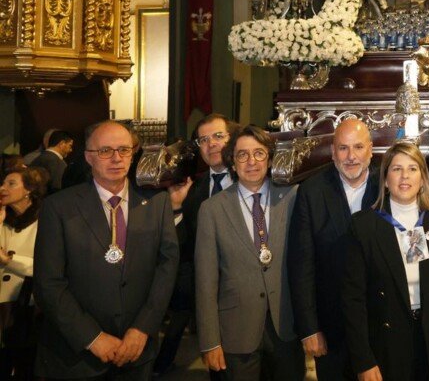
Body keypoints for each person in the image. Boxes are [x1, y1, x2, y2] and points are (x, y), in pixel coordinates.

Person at [33, 120, 179, 380]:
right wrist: (92, 337)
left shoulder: (157, 204)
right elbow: (49, 283)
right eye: (105, 151)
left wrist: (142, 328)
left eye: (124, 150)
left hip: (137, 351)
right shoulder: (59, 207)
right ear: (89, 157)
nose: (116, 158)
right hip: (76, 356)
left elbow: (166, 270)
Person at [342, 142, 429, 381]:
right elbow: (353, 300)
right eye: (397, 169)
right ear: (386, 179)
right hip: (385, 345)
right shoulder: (364, 226)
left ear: (423, 178)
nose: (405, 176)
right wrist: (364, 360)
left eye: (412, 168)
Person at [195, 125, 303, 380]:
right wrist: (210, 342)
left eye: (259, 153)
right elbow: (206, 282)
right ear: (232, 162)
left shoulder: (293, 197)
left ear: (269, 157)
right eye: (242, 155)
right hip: (235, 332)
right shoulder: (212, 210)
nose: (251, 162)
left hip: (286, 327)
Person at [287, 118, 380, 380]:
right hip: (331, 329)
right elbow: (301, 264)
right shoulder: (311, 191)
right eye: (343, 148)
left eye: (358, 147)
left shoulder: (389, 184)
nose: (351, 157)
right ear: (332, 152)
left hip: (382, 325)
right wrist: (309, 328)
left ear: (370, 150)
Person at [154, 113, 237, 378]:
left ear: (232, 140)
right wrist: (177, 207)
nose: (211, 144)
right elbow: (183, 247)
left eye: (218, 136)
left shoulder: (253, 180)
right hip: (208, 302)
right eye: (203, 140)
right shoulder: (195, 189)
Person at [0, 167, 46, 380]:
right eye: (3, 183)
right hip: (2, 305)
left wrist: (10, 261)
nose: (2, 188)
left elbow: (47, 266)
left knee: (24, 364)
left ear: (29, 190)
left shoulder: (45, 220)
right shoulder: (2, 216)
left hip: (24, 306)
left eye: (11, 183)